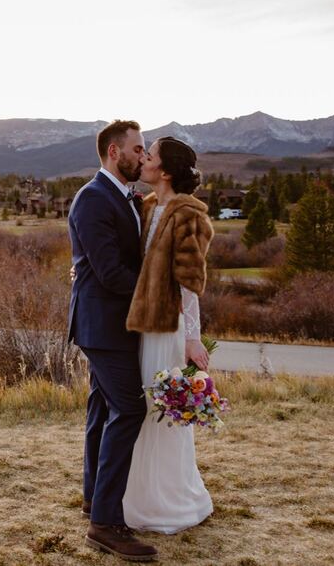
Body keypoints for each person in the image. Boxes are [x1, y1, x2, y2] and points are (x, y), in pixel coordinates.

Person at [67, 120, 159, 562]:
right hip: (102, 326)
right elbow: (110, 274)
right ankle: (105, 524)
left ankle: (92, 496)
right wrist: (159, 289)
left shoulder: (122, 197)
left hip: (111, 323)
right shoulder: (92, 199)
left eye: (144, 151)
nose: (143, 157)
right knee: (130, 409)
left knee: (102, 408)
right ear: (113, 153)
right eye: (138, 149)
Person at [121, 136, 215, 533]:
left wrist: (192, 338)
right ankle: (137, 494)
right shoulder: (146, 208)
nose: (143, 160)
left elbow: (190, 283)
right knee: (141, 411)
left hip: (168, 330)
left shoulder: (186, 214)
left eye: (151, 156)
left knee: (162, 410)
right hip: (143, 326)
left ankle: (169, 499)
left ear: (166, 171)